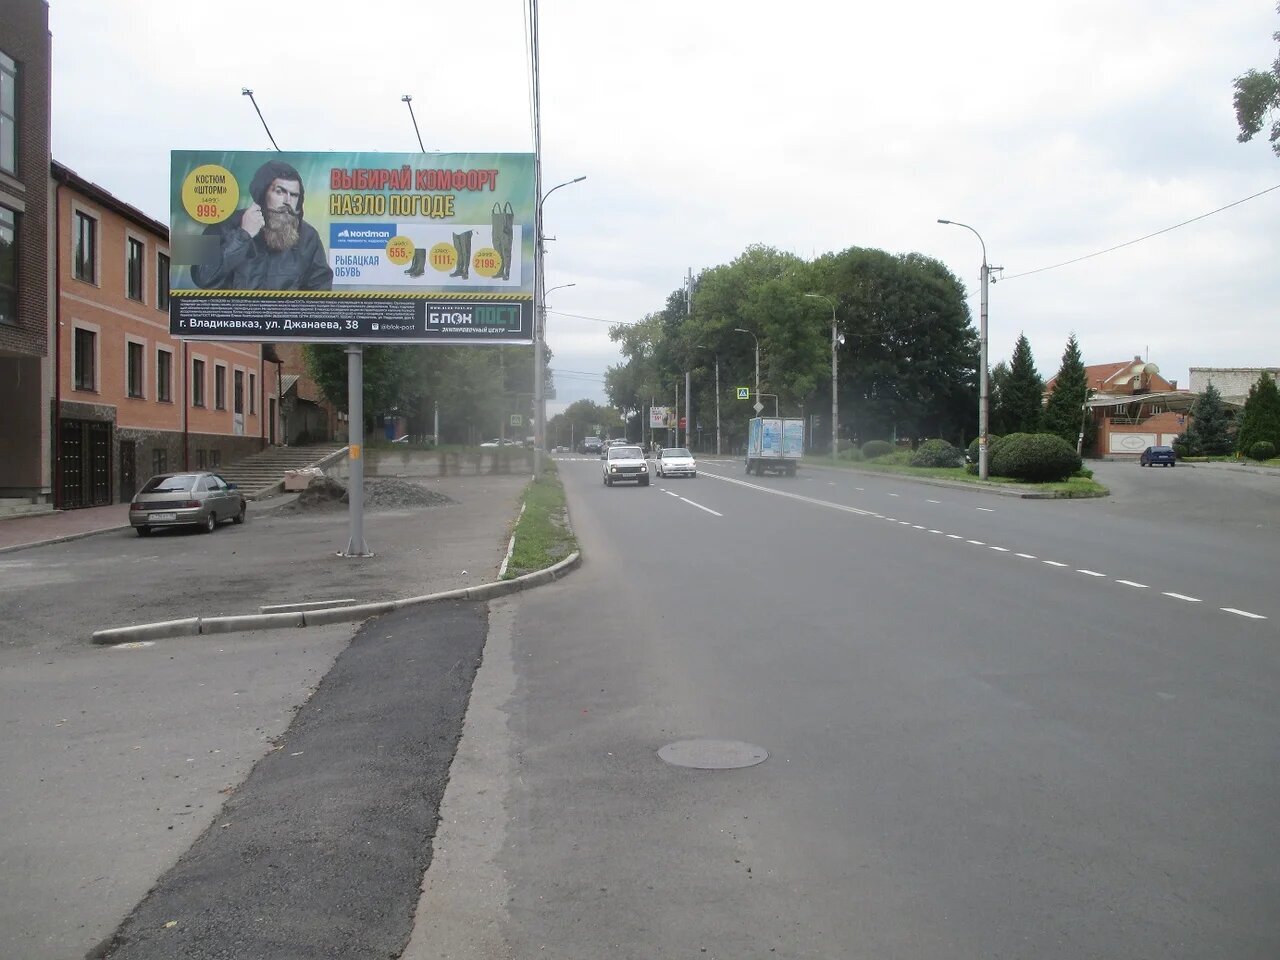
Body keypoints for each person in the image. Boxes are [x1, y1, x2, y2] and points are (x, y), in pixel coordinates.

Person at [192, 160, 333, 291]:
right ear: (262, 193)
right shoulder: (221, 224)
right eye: (279, 191)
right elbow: (201, 278)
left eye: (294, 195)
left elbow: (320, 290)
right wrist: (243, 235)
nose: (287, 201)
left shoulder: (309, 236)